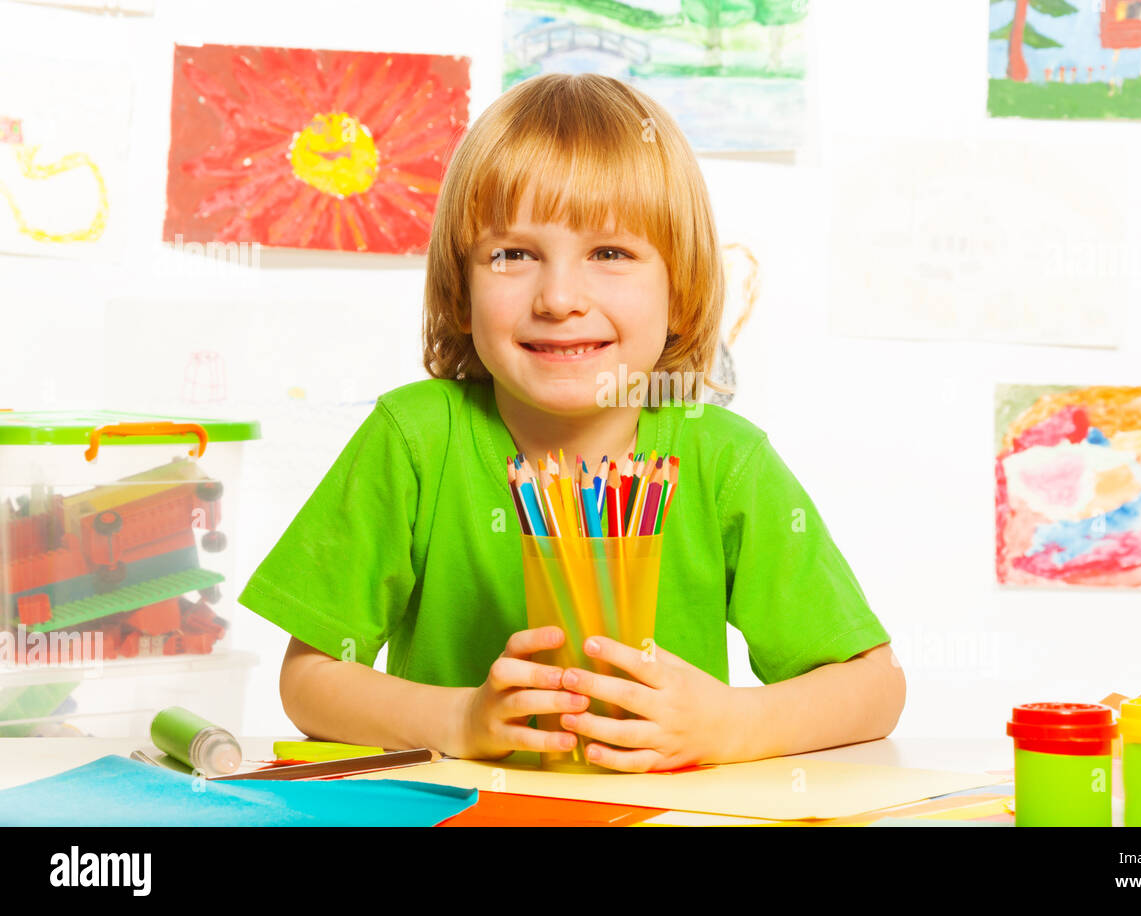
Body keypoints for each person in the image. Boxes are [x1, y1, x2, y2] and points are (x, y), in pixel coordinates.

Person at [239, 73, 904, 772]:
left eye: (610, 254)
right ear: (460, 290)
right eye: (513, 255)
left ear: (681, 291)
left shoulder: (724, 461)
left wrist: (730, 726)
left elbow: (876, 689)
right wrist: (459, 718)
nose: (558, 298)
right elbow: (309, 682)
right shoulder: (413, 438)